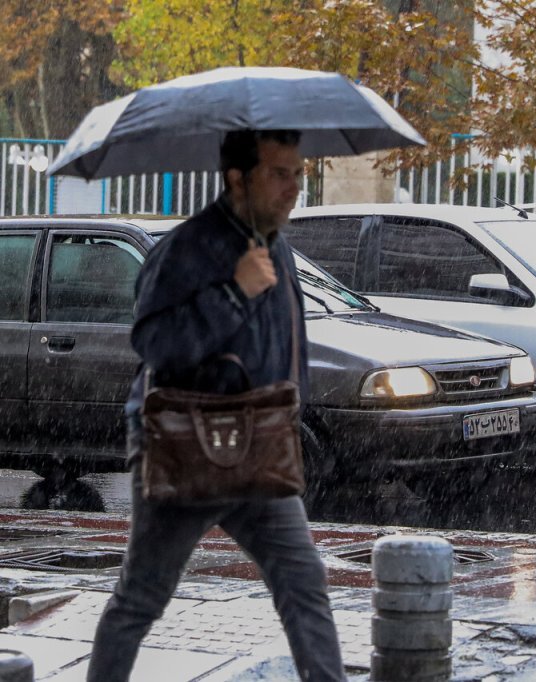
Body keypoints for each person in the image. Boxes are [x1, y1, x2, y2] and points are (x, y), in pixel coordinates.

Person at [87, 129, 345, 681]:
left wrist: (290, 410)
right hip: (186, 446)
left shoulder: (275, 245)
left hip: (259, 446)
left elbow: (284, 345)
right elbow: (156, 345)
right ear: (237, 179)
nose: (294, 187)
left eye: (298, 174)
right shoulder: (186, 248)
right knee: (142, 597)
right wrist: (233, 292)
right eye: (280, 174)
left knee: (304, 585)